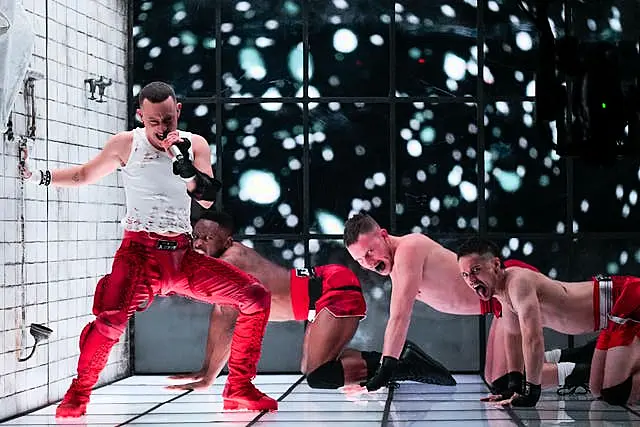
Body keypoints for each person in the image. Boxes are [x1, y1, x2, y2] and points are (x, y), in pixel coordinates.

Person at [20, 81, 278, 417]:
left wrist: (185, 167)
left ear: (177, 112)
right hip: (140, 253)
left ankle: (239, 387)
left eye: (167, 120)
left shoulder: (195, 144)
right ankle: (78, 393)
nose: (161, 129)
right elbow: (84, 175)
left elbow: (206, 197)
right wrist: (37, 176)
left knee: (255, 298)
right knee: (111, 321)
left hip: (183, 256)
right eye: (153, 121)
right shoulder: (126, 144)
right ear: (141, 116)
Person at [166, 210, 456, 392]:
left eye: (208, 238)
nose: (199, 244)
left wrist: (208, 374)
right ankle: (396, 362)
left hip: (331, 288)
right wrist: (207, 372)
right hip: (318, 296)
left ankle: (401, 364)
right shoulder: (222, 266)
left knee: (318, 375)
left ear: (227, 242)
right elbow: (220, 314)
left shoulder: (232, 261)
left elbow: (224, 318)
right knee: (317, 369)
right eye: (196, 238)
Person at [342, 213, 591, 396]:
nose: (368, 262)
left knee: (504, 380)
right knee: (498, 378)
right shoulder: (396, 266)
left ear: (383, 235)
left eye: (370, 251)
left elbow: (400, 317)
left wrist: (384, 373)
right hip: (496, 302)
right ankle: (579, 356)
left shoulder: (408, 250)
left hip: (507, 287)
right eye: (361, 259)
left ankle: (586, 371)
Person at [456, 237, 640, 407]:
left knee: (615, 392)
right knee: (597, 389)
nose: (471, 280)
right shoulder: (503, 295)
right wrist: (513, 386)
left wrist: (532, 390)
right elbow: (513, 338)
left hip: (625, 297)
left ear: (495, 264)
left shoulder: (518, 282)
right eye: (465, 275)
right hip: (611, 313)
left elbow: (533, 339)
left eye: (476, 270)